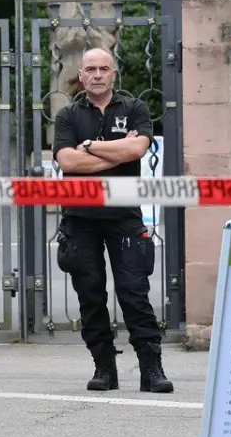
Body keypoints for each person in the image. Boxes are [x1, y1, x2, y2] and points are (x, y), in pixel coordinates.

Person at [51, 47, 173, 394]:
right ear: (81, 73)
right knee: (90, 297)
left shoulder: (134, 108)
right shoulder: (68, 116)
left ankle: (152, 369)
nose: (98, 74)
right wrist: (110, 152)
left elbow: (137, 151)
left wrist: (87, 146)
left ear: (114, 73)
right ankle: (104, 368)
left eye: (104, 68)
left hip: (124, 216)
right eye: (91, 69)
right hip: (80, 218)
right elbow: (68, 163)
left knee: (134, 294)